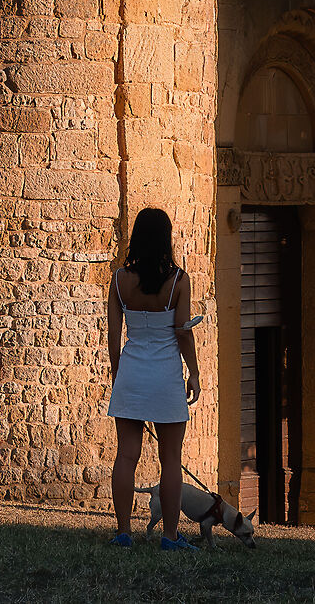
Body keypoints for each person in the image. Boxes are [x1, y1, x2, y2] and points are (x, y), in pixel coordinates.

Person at [106, 206, 200, 550]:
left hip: (132, 370)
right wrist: (194, 373)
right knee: (170, 458)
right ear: (165, 238)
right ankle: (170, 536)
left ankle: (123, 532)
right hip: (165, 375)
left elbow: (113, 334)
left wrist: (118, 373)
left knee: (126, 455)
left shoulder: (119, 280)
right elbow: (183, 333)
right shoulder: (178, 281)